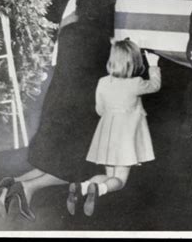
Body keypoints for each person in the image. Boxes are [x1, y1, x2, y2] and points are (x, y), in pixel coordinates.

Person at [0, 0, 116, 222]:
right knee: (83, 167)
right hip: (81, 107)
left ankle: (14, 185)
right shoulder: (102, 40)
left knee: (57, 159)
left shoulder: (68, 31)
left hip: (58, 100)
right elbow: (104, 74)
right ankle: (28, 188)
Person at [66, 39, 161, 217]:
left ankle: (84, 186)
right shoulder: (136, 83)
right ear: (133, 62)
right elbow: (155, 86)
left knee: (109, 176)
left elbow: (99, 109)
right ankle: (98, 188)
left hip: (106, 136)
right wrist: (154, 65)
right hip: (126, 138)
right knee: (119, 181)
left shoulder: (102, 82)